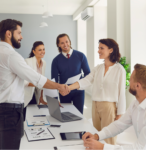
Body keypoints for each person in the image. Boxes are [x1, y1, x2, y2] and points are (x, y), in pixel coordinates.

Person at [0, 19, 69, 150]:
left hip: (5, 109)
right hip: (10, 112)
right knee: (12, 146)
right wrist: (59, 86)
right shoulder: (11, 55)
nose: (21, 36)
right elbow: (37, 79)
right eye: (19, 33)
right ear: (9, 34)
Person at [60, 38, 126, 144]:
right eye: (98, 48)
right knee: (97, 136)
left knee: (109, 138)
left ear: (111, 50)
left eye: (101, 48)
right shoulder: (98, 68)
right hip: (95, 105)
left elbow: (122, 94)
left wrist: (119, 115)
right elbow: (86, 81)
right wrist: (68, 87)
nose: (98, 51)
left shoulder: (119, 69)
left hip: (109, 107)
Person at [82, 64, 146, 150]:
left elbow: (139, 148)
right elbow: (119, 125)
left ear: (138, 86)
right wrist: (97, 136)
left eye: (131, 79)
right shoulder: (135, 104)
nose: (129, 81)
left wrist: (102, 147)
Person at [51, 33, 90, 114]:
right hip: (64, 93)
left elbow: (87, 74)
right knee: (66, 115)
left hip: (79, 92)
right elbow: (54, 81)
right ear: (58, 45)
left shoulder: (81, 56)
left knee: (79, 115)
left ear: (70, 42)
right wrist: (55, 99)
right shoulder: (56, 61)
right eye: (62, 43)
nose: (65, 44)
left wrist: (81, 84)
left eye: (67, 41)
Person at [23, 41, 47, 121]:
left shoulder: (44, 63)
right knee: (25, 117)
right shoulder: (27, 61)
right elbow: (23, 81)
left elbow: (42, 80)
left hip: (36, 94)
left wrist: (41, 97)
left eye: (43, 49)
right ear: (34, 51)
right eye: (40, 50)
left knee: (33, 117)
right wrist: (38, 84)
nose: (42, 51)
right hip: (27, 94)